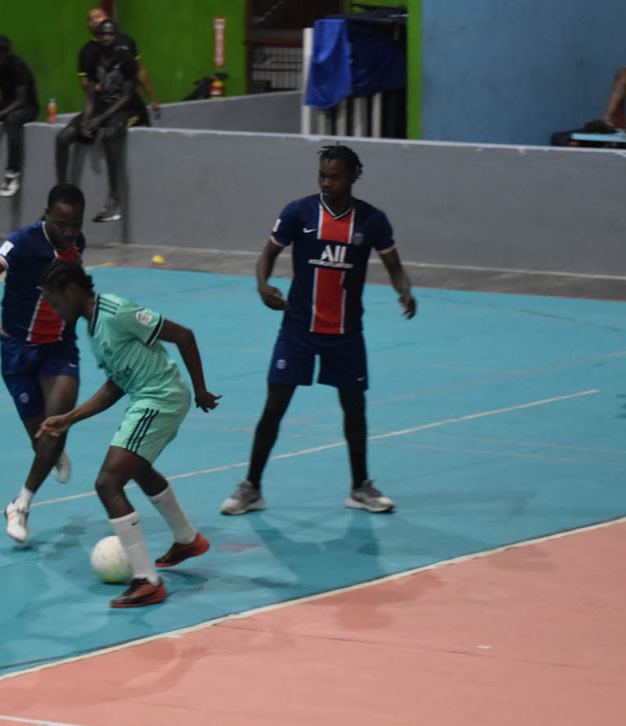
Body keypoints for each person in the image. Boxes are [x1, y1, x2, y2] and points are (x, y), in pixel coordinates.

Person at [220, 144, 416, 517]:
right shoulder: (299, 212)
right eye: (322, 176)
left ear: (353, 177)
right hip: (298, 330)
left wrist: (404, 291)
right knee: (274, 407)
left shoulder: (372, 220)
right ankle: (251, 487)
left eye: (335, 176)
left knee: (354, 409)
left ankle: (360, 487)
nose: (327, 183)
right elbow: (267, 255)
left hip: (345, 334)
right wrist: (262, 287)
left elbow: (394, 265)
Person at [37, 261, 220, 608]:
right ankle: (187, 539)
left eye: (56, 303)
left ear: (72, 292)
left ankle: (146, 580)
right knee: (136, 467)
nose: (55, 311)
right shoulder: (93, 330)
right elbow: (116, 384)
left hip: (160, 398)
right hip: (145, 398)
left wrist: (202, 391)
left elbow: (184, 335)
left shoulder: (117, 311)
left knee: (108, 483)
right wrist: (70, 418)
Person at [0, 184, 86, 544]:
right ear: (46, 216)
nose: (67, 232)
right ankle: (50, 452)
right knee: (42, 439)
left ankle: (20, 504)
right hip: (17, 351)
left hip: (59, 347)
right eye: (61, 224)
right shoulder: (24, 241)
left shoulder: (78, 245)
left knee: (56, 427)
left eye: (74, 225)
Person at [56, 19, 137, 224]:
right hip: (100, 106)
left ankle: (113, 199)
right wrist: (86, 121)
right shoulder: (93, 59)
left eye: (110, 34)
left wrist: (99, 119)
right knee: (63, 137)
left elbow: (127, 96)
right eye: (102, 35)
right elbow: (91, 96)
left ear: (116, 36)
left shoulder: (126, 58)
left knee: (110, 135)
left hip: (125, 107)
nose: (106, 38)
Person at [0, 35, 40, 198]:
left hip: (28, 107)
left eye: (2, 52)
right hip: (6, 103)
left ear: (9, 52)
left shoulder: (17, 65)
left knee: (11, 121)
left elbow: (20, 101)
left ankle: (13, 173)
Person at [80, 7, 160, 123]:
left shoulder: (126, 42)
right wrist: (98, 86)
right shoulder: (86, 52)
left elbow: (139, 71)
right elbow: (85, 83)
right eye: (92, 19)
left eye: (99, 16)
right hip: (103, 104)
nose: (96, 21)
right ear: (88, 25)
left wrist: (152, 98)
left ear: (107, 19)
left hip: (128, 105)